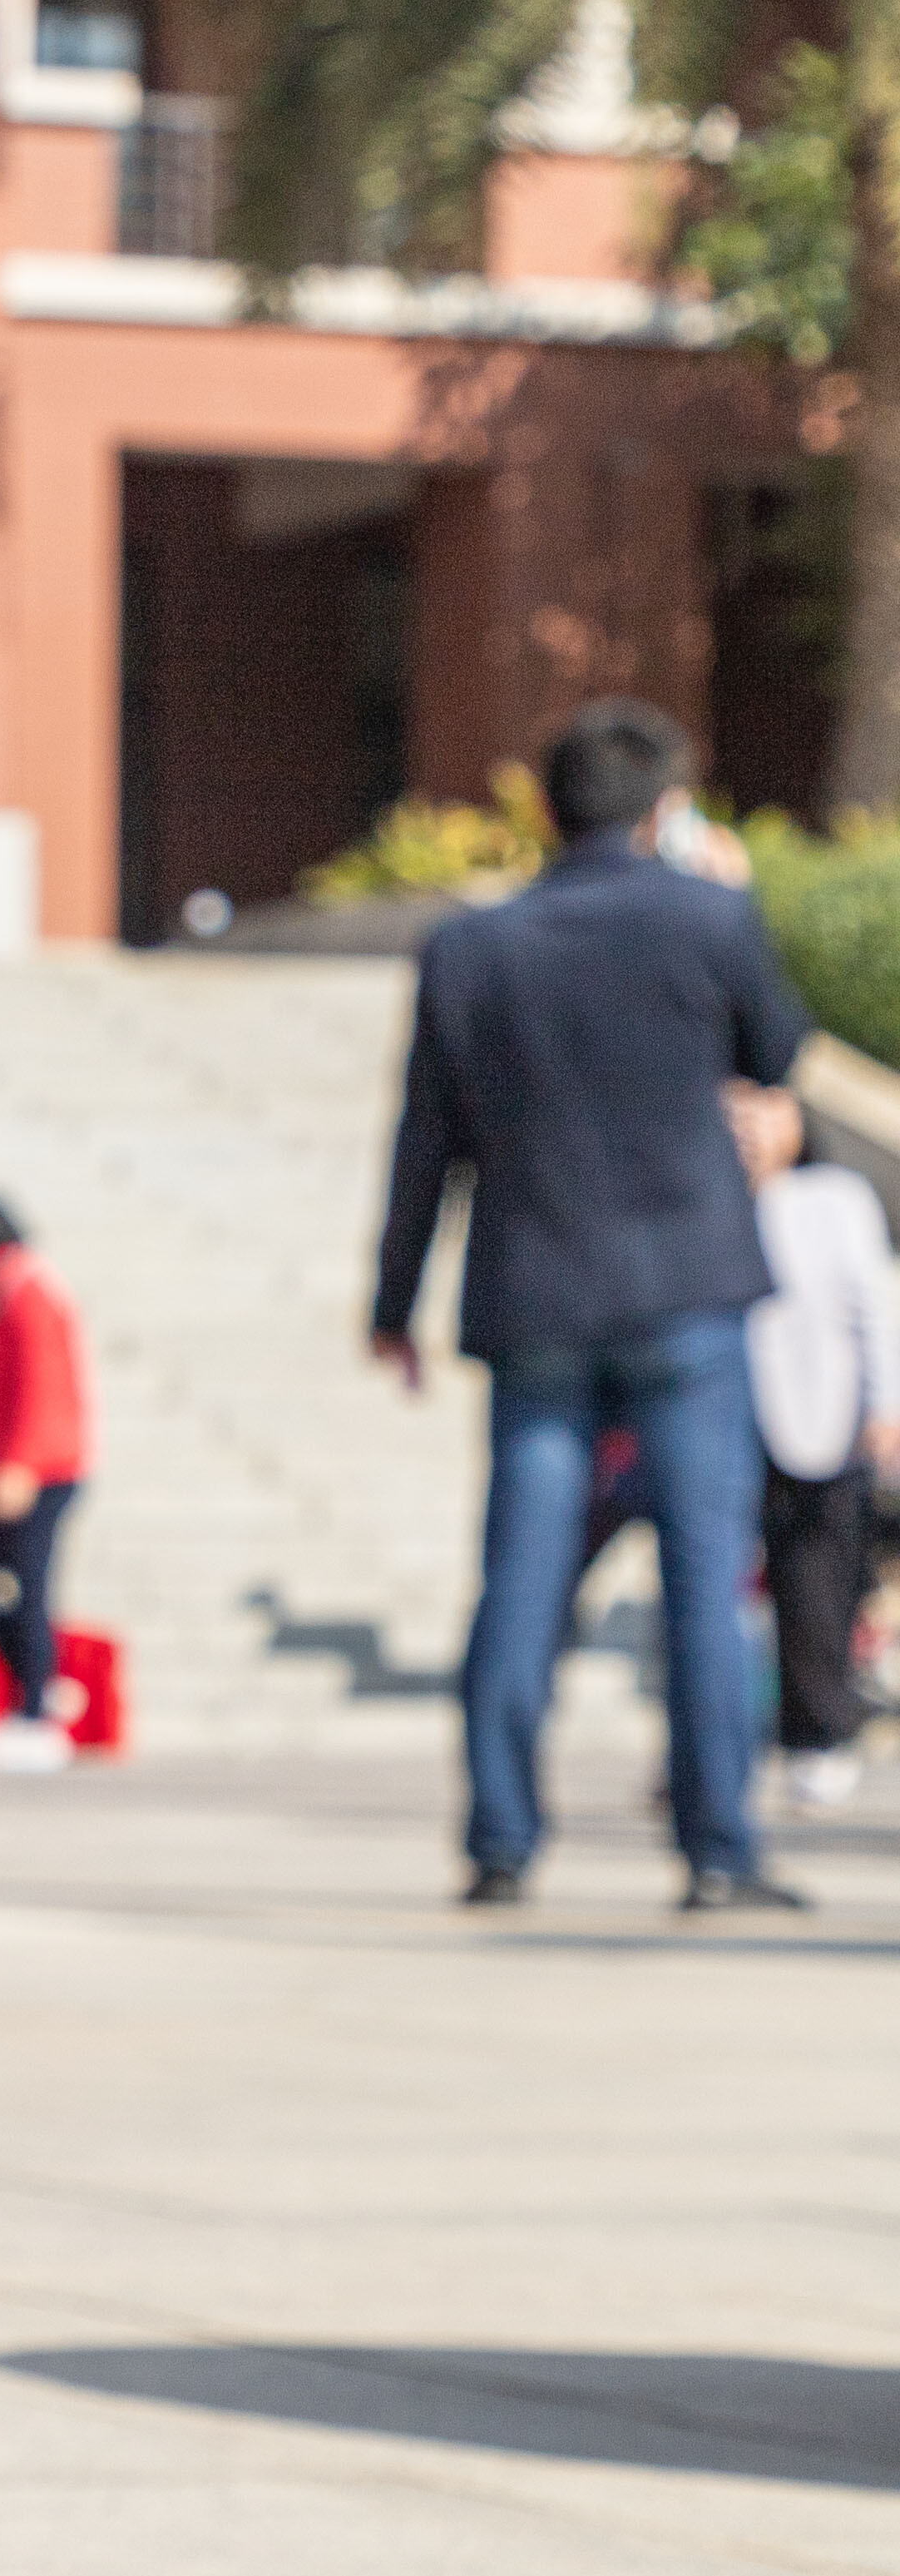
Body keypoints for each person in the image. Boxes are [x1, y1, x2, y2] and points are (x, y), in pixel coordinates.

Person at [373, 695, 813, 1910]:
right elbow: (776, 1055)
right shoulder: (710, 918)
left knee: (521, 1574)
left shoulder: (472, 949)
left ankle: (502, 1841)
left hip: (536, 1295)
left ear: (547, 810)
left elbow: (427, 1140)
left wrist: (392, 1299)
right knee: (703, 1575)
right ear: (664, 810)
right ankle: (718, 1849)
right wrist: (725, 890)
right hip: (686, 1295)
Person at [732, 1079, 897, 1809]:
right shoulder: (696, 1193)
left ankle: (818, 1735)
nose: (747, 1128)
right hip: (720, 1423)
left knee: (817, 1587)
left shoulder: (834, 1197)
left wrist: (884, 1404)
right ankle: (708, 1742)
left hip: (819, 1421)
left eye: (762, 1110)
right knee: (711, 1591)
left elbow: (876, 1304)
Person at [0, 1193, 91, 1776]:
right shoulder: (5, 1288)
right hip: (11, 1466)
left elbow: (44, 1383)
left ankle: (36, 1715)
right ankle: (40, 1688)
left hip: (38, 1469)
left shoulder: (30, 1290)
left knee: (26, 1586)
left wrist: (22, 1462)